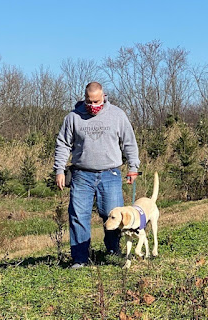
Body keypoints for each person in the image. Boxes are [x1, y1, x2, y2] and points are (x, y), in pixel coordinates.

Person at [54, 82, 140, 269]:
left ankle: (113, 250)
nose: (93, 105)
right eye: (89, 101)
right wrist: (59, 170)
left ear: (104, 96)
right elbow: (63, 144)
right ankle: (80, 258)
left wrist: (133, 167)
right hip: (81, 175)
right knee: (78, 216)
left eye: (97, 101)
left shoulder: (117, 115)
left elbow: (129, 143)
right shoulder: (73, 117)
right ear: (84, 98)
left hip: (110, 174)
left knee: (114, 215)